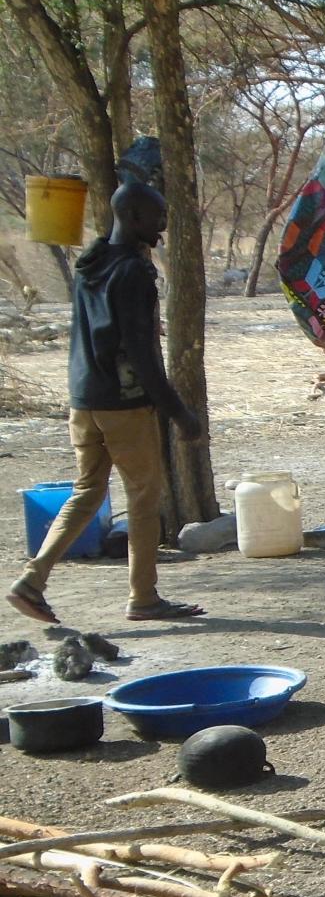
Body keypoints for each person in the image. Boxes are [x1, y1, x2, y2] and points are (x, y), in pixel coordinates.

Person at [8, 183, 205, 624]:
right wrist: (177, 411)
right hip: (124, 405)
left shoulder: (91, 263)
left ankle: (32, 579)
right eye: (157, 217)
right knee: (142, 499)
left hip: (83, 399)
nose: (162, 226)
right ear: (133, 217)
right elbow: (140, 352)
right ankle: (144, 597)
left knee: (87, 492)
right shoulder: (133, 273)